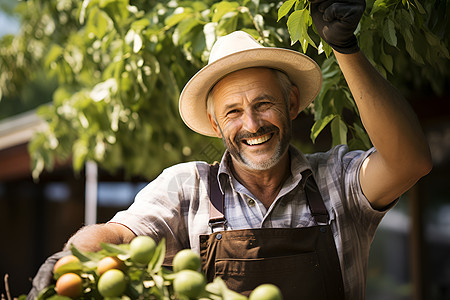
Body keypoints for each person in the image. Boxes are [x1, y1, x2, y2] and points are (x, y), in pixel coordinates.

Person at [28, 0, 432, 299]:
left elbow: (410, 161)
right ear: (216, 124)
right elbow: (118, 233)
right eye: (234, 112)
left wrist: (346, 48)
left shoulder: (337, 181)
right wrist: (73, 259)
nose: (252, 125)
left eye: (263, 104)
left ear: (292, 104)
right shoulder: (188, 189)